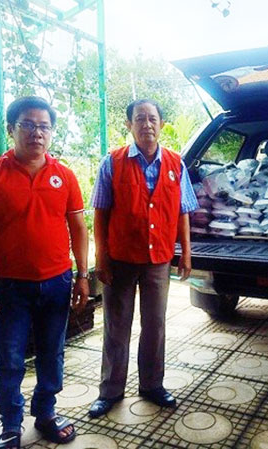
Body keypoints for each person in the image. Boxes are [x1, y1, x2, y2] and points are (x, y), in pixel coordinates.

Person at [0, 96, 89, 449]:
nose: (37, 133)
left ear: (51, 132)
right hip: (8, 285)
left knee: (53, 354)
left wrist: (83, 275)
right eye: (28, 125)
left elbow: (79, 229)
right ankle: (11, 425)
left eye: (44, 126)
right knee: (9, 358)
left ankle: (46, 413)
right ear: (11, 129)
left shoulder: (64, 176)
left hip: (57, 281)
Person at [88, 99, 198, 418]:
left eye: (152, 118)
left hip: (158, 259)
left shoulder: (176, 164)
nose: (146, 124)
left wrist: (186, 253)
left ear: (161, 124)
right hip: (120, 259)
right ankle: (110, 391)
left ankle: (152, 385)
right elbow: (100, 213)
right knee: (116, 326)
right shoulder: (112, 162)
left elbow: (183, 211)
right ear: (129, 125)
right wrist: (101, 258)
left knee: (155, 325)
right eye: (139, 119)